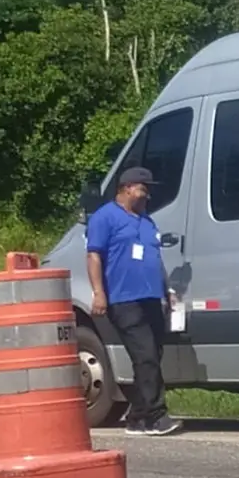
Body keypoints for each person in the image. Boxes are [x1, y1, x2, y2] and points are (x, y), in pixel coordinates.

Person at [85, 166, 182, 437]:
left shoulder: (147, 222)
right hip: (123, 299)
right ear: (127, 188)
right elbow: (94, 256)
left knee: (151, 356)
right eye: (143, 188)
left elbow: (155, 259)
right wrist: (99, 292)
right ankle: (155, 417)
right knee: (145, 355)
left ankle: (137, 417)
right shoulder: (105, 218)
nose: (147, 194)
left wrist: (167, 289)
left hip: (151, 297)